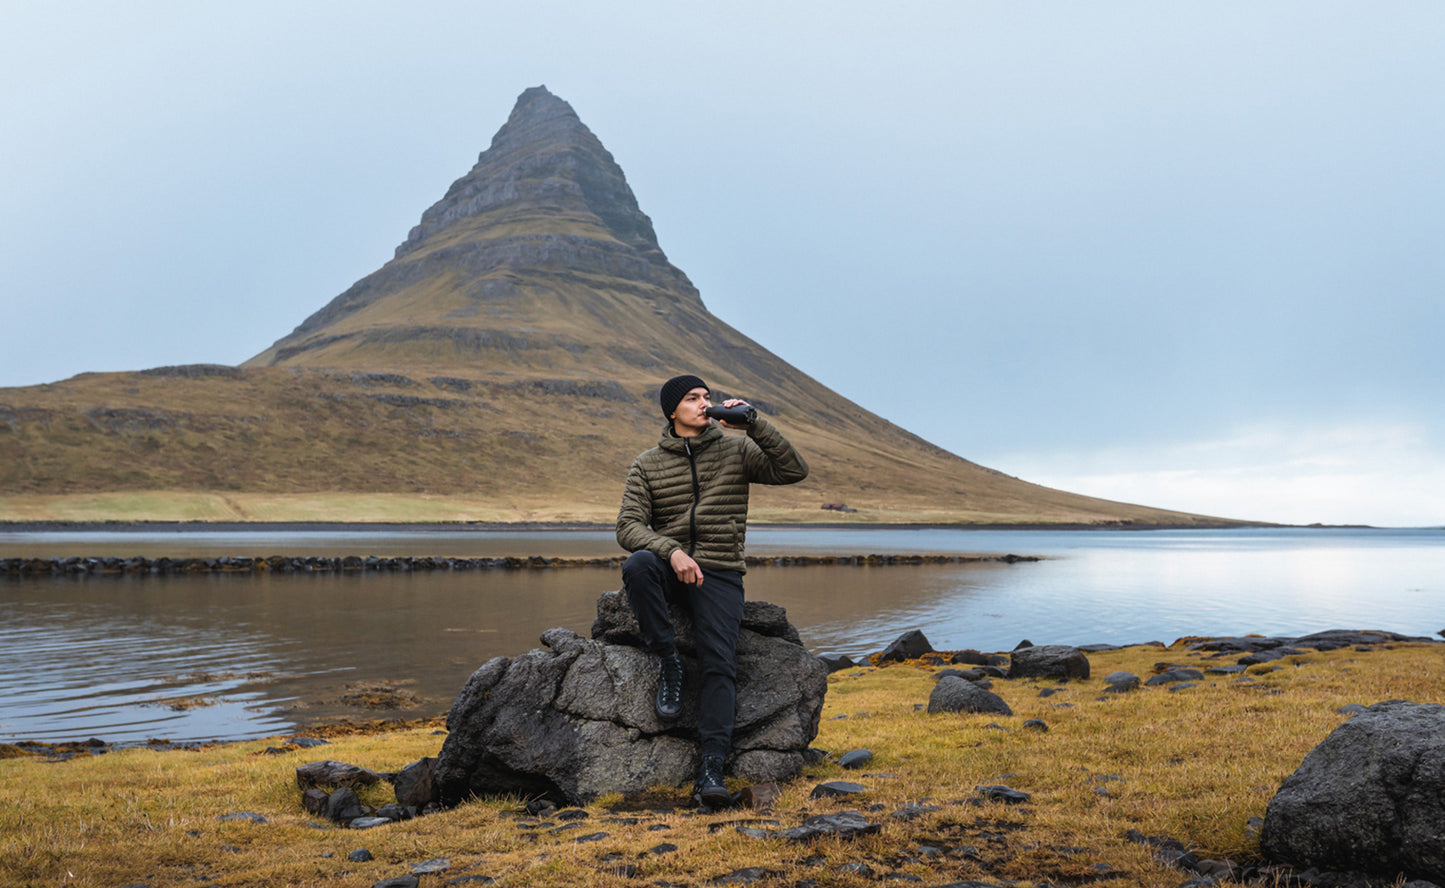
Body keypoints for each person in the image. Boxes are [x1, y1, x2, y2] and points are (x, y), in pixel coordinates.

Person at [616, 373, 809, 807]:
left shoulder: (737, 448)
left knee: (720, 663)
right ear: (672, 411)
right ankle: (668, 663)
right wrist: (672, 551)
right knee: (639, 563)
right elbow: (627, 527)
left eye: (708, 396)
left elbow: (793, 470)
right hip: (671, 567)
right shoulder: (647, 463)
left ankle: (711, 768)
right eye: (693, 398)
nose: (704, 403)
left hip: (719, 572)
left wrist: (753, 423)